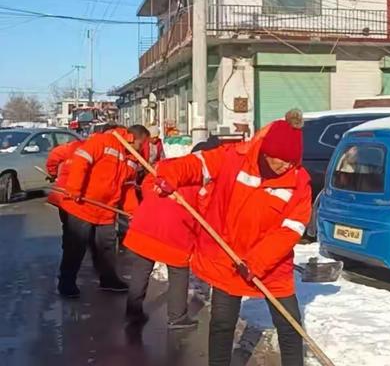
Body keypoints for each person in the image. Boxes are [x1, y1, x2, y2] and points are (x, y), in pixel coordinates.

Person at [154, 111, 311, 366]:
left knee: (289, 326)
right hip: (227, 257)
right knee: (222, 323)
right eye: (281, 161)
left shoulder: (299, 180)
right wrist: (169, 176)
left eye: (291, 162)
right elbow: (196, 164)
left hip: (272, 265)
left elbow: (291, 229)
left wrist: (257, 262)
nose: (286, 167)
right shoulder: (235, 157)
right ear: (266, 152)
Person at [123, 137, 220, 328]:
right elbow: (207, 210)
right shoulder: (206, 181)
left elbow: (147, 184)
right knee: (178, 273)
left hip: (146, 225)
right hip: (176, 234)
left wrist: (156, 200)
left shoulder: (167, 165)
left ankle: (132, 312)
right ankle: (177, 316)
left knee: (141, 270)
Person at [57, 125, 150, 298]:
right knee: (76, 246)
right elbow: (81, 160)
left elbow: (127, 188)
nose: (143, 148)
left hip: (106, 210)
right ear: (134, 137)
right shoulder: (103, 141)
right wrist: (75, 188)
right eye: (142, 143)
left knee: (106, 247)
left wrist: (132, 211)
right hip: (82, 205)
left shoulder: (131, 159)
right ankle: (66, 282)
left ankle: (108, 280)